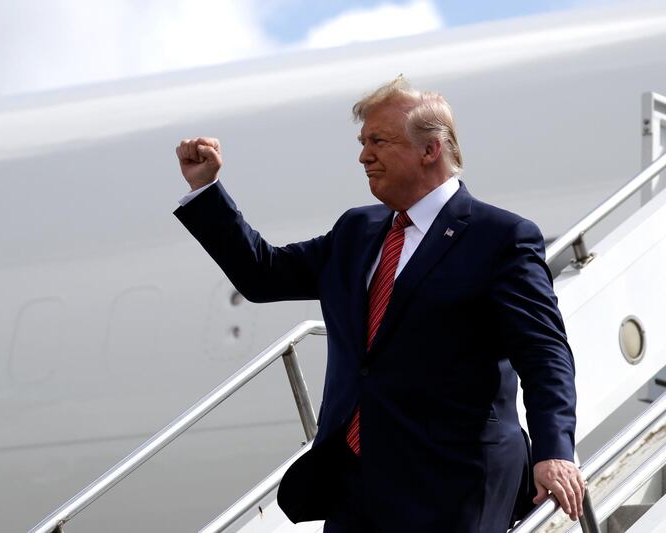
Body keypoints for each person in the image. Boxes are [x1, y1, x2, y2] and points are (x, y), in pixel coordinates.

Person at [174, 77, 583, 532]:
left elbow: (544, 353)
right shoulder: (357, 231)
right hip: (356, 482)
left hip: (454, 482)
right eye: (363, 141)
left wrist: (554, 451)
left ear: (431, 149)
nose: (363, 155)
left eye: (378, 141)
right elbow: (262, 274)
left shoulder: (500, 237)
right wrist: (206, 190)